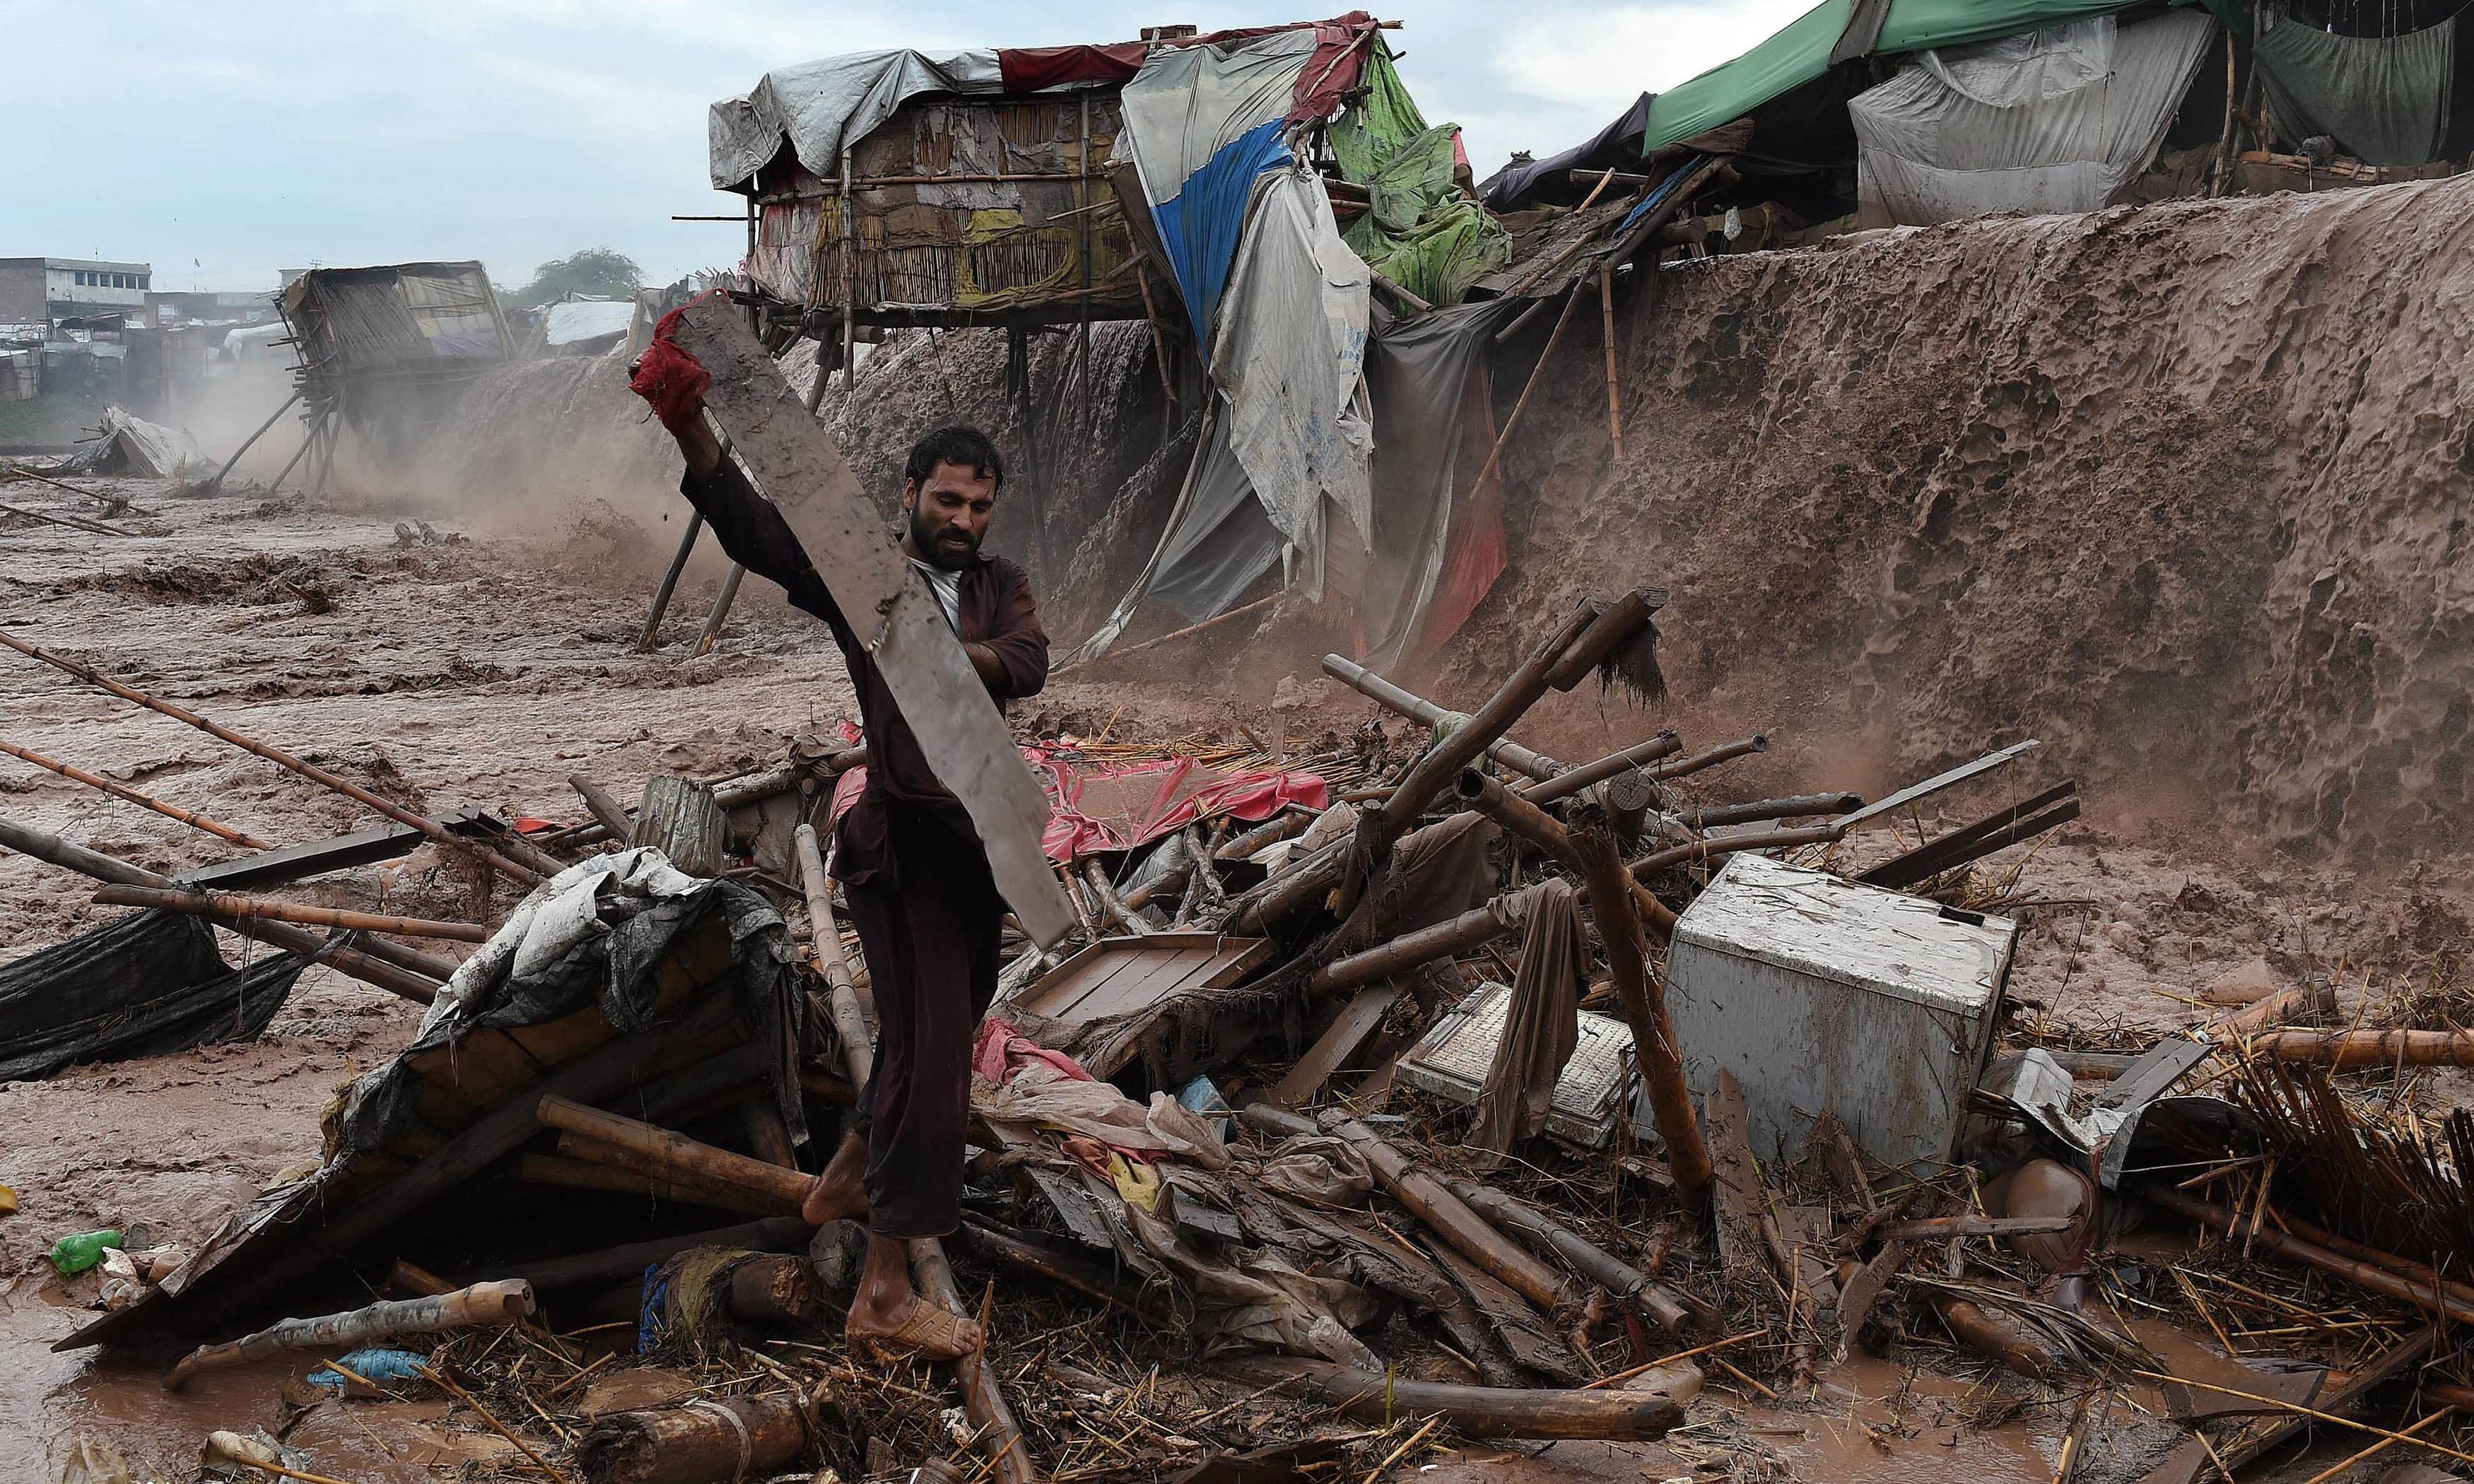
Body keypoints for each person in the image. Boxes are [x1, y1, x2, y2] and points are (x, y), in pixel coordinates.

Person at [632, 337, 1046, 1362]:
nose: (962, 524)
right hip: (900, 848)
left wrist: (953, 654)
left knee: (924, 1040)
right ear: (909, 493)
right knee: (935, 1058)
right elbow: (757, 531)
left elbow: (1028, 661)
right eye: (947, 503)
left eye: (979, 508)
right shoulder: (866, 581)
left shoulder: (997, 584)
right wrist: (691, 428)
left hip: (978, 852)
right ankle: (884, 1289)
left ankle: (853, 1168)